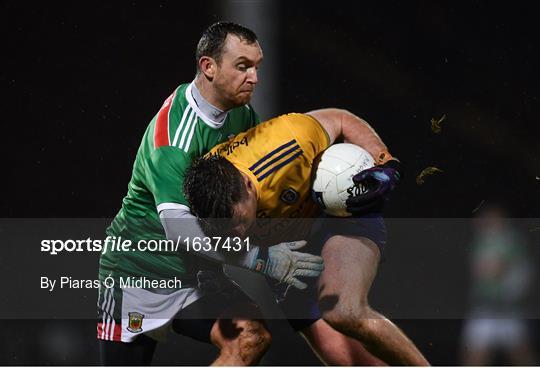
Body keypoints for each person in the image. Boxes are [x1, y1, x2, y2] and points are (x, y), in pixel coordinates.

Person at [97, 21, 324, 366]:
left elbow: (256, 189)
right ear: (209, 67)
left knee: (251, 337)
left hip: (200, 276)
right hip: (139, 275)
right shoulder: (173, 139)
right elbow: (178, 230)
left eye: (257, 66)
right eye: (243, 66)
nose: (255, 78)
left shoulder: (241, 115)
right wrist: (263, 260)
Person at [184, 109, 430, 365]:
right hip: (284, 261)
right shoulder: (200, 206)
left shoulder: (289, 140)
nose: (236, 233)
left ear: (247, 184)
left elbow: (342, 119)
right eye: (224, 228)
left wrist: (386, 162)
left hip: (334, 220)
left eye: (238, 222)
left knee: (344, 313)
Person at [460, 204, 536, 365]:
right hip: (484, 310)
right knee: (474, 357)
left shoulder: (512, 241)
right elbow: (482, 271)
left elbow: (513, 272)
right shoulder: (480, 242)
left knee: (522, 357)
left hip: (509, 310)